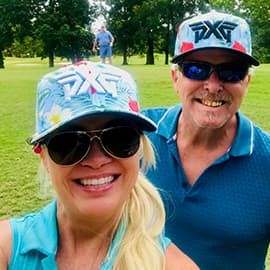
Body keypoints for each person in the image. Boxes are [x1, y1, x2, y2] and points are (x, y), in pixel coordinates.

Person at [0, 61, 199, 270]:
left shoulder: (172, 266)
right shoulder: (6, 249)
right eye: (69, 143)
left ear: (139, 150)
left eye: (120, 138)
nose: (97, 161)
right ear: (44, 158)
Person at [142, 10, 270, 270]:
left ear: (247, 80)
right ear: (176, 78)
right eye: (196, 69)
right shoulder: (134, 136)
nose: (213, 85)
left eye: (231, 72)